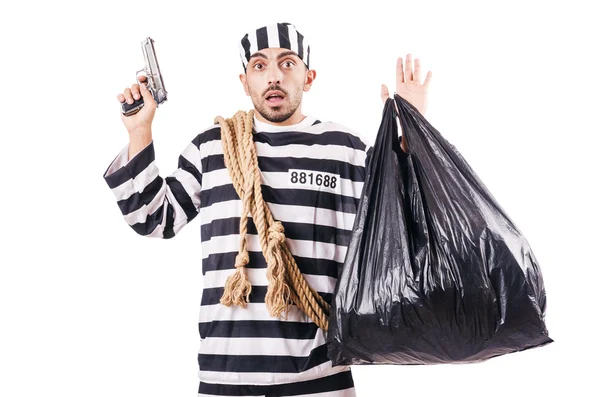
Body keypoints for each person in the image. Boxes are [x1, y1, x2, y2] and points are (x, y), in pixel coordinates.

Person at [103, 22, 431, 397]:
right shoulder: (212, 147)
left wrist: (412, 132)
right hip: (225, 379)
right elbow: (153, 219)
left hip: (319, 379)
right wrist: (139, 131)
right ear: (244, 82)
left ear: (309, 77)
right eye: (259, 66)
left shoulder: (344, 150)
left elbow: (405, 216)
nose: (273, 77)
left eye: (287, 64)